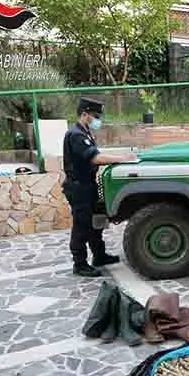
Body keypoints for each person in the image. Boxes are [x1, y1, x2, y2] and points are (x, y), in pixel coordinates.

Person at [62, 97, 137, 277]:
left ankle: (99, 255)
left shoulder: (85, 131)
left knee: (95, 223)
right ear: (84, 114)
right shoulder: (76, 135)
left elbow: (97, 154)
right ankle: (79, 264)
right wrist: (122, 158)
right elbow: (95, 158)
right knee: (81, 226)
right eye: (95, 116)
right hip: (79, 188)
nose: (98, 120)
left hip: (88, 185)